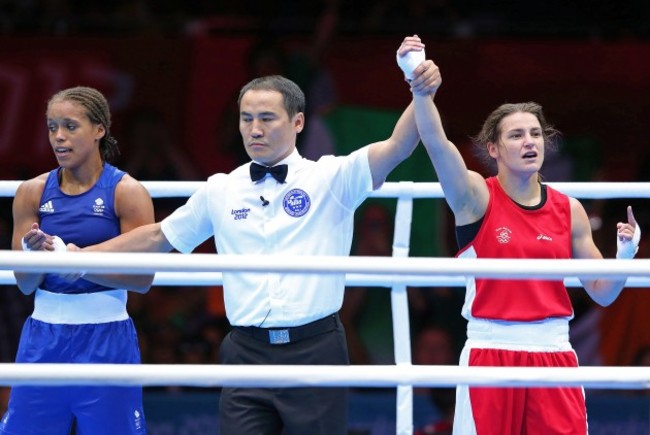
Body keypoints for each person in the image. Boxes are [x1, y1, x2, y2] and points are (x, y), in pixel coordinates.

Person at [70, 39, 439, 434]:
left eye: (267, 118)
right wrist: (78, 257)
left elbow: (399, 145)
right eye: (246, 118)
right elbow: (159, 237)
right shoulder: (220, 189)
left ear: (298, 122)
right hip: (246, 352)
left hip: (315, 350)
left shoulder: (331, 177)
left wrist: (418, 86)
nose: (255, 129)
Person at [406, 35, 641, 434]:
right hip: (491, 348)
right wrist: (419, 86)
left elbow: (602, 292)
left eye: (535, 134)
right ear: (492, 149)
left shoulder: (571, 210)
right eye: (516, 135)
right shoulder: (476, 197)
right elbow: (436, 144)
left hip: (554, 351)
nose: (529, 141)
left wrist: (625, 256)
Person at [1, 86, 154, 435]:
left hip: (107, 338)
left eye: (70, 126)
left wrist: (81, 265)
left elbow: (143, 278)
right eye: (52, 126)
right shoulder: (31, 192)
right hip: (42, 337)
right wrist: (33, 257)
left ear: (99, 129)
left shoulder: (126, 192)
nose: (58, 137)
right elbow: (24, 285)